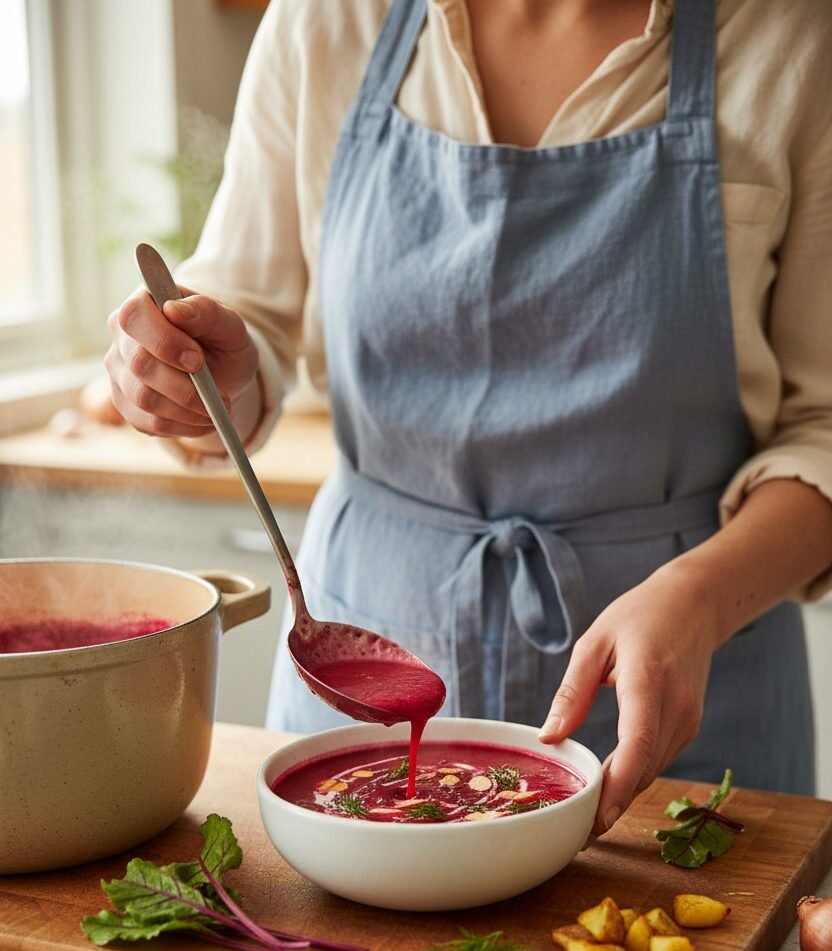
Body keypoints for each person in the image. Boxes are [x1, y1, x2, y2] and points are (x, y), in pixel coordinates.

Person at [105, 0, 832, 838]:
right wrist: (202, 377)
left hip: (684, 702)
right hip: (368, 651)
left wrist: (698, 601)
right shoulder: (329, 21)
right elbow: (251, 327)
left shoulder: (793, 40)